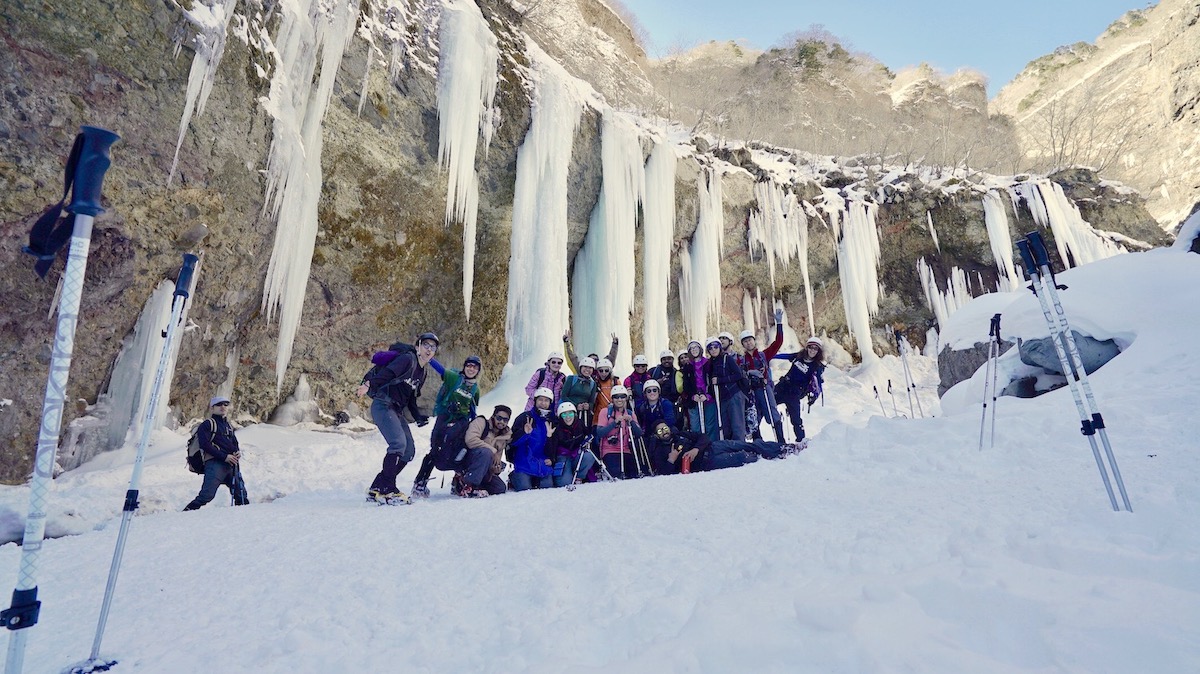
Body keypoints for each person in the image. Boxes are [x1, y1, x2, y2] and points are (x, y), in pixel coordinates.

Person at [365, 332, 437, 504]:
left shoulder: (422, 372)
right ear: (418, 346)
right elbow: (388, 374)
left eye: (433, 347)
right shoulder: (407, 359)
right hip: (383, 404)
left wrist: (418, 417)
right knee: (398, 444)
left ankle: (378, 486)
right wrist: (368, 385)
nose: (429, 349)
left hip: (395, 409)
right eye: (426, 345)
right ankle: (388, 490)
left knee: (409, 451)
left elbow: (411, 398)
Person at [411, 355, 481, 498]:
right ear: (464, 367)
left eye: (475, 367)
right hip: (444, 418)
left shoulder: (475, 389)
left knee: (460, 449)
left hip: (461, 423)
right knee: (436, 449)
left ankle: (458, 482)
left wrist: (476, 425)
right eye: (469, 366)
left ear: (478, 370)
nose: (471, 369)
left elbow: (472, 408)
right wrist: (428, 358)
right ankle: (420, 483)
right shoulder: (454, 378)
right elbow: (441, 370)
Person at [645, 421, 794, 476]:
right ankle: (768, 458)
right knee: (743, 456)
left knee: (748, 444)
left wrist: (696, 448)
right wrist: (672, 460)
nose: (664, 431)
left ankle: (785, 448)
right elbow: (664, 471)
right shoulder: (660, 450)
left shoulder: (680, 435)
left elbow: (703, 437)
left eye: (665, 428)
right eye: (660, 431)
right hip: (707, 462)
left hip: (713, 447)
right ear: (656, 435)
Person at [184, 396, 249, 510]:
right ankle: (184, 514)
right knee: (206, 496)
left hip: (231, 463)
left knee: (241, 494)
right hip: (214, 464)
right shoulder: (207, 424)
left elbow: (234, 442)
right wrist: (224, 457)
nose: (223, 407)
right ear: (212, 408)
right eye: (219, 405)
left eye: (225, 404)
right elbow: (205, 445)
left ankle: (245, 518)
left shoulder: (228, 426)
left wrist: (237, 452)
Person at [737, 310, 787, 442]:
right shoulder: (740, 360)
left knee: (772, 411)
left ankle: (781, 441)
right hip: (751, 391)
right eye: (745, 342)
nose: (748, 343)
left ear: (754, 341)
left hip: (765, 388)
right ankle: (758, 442)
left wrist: (779, 324)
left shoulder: (764, 355)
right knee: (753, 415)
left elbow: (778, 342)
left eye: (750, 340)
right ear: (743, 345)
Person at [442, 406, 512, 498]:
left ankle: (461, 484)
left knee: (499, 488)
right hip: (468, 461)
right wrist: (493, 451)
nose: (502, 422)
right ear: (493, 416)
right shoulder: (481, 422)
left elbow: (496, 459)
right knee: (486, 452)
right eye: (499, 418)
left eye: (505, 420)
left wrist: (495, 469)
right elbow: (470, 440)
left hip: (484, 468)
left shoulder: (504, 436)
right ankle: (469, 486)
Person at [772, 337, 826, 442]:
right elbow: (785, 356)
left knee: (796, 420)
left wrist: (814, 397)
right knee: (769, 408)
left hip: (794, 393)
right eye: (811, 347)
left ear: (818, 351)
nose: (813, 350)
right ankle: (778, 440)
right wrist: (769, 356)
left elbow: (818, 384)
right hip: (782, 387)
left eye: (816, 349)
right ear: (807, 347)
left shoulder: (817, 366)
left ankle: (801, 441)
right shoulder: (798, 356)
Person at [509, 388, 556, 491]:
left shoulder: (552, 421)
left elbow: (555, 444)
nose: (543, 403)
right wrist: (525, 434)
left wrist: (552, 459)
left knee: (547, 487)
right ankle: (514, 477)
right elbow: (512, 442)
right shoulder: (524, 418)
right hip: (524, 461)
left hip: (542, 462)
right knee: (524, 488)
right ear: (535, 401)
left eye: (546, 400)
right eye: (540, 400)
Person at [704, 337, 749, 442]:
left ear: (720, 347)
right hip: (721, 398)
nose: (713, 349)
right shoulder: (710, 363)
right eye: (710, 348)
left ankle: (740, 447)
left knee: (737, 425)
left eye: (716, 346)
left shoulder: (727, 359)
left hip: (733, 394)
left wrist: (720, 380)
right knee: (725, 426)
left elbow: (738, 375)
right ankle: (730, 448)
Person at [594, 384, 643, 479]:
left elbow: (639, 433)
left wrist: (631, 422)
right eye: (616, 397)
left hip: (625, 450)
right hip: (609, 451)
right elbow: (600, 433)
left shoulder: (629, 413)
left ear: (626, 398)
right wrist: (614, 423)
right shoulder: (605, 412)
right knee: (616, 475)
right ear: (612, 399)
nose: (619, 399)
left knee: (633, 475)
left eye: (622, 397)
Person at [547, 402, 596, 487]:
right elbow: (552, 449)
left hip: (576, 454)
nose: (568, 417)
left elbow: (588, 433)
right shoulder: (557, 428)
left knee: (589, 456)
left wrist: (588, 438)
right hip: (563, 457)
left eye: (570, 413)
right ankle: (568, 474)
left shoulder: (579, 424)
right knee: (564, 483)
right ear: (560, 417)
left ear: (574, 414)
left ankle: (579, 476)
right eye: (564, 415)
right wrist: (549, 436)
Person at [681, 340, 717, 440]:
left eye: (696, 347)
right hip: (694, 399)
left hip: (708, 397)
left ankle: (711, 445)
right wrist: (693, 396)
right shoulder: (687, 367)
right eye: (691, 349)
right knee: (695, 425)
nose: (694, 350)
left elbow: (711, 380)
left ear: (700, 349)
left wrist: (708, 395)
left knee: (710, 424)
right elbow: (686, 385)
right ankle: (698, 446)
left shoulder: (708, 363)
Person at [560, 356, 599, 425]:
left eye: (590, 368)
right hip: (568, 412)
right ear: (581, 367)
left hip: (583, 414)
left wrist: (588, 406)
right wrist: (575, 405)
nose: (587, 369)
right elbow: (564, 396)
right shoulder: (571, 379)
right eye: (585, 367)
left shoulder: (593, 384)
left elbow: (592, 402)